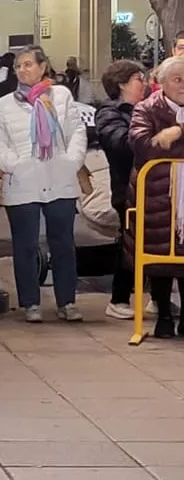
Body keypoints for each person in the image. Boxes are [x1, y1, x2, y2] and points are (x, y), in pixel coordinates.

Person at [0, 46, 88, 323]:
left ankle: (67, 300)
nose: (23, 70)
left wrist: (71, 161)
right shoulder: (4, 104)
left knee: (63, 243)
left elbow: (77, 131)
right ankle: (30, 302)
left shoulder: (62, 97)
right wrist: (12, 163)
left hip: (59, 179)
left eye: (29, 64)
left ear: (43, 67)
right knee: (26, 246)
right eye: (19, 66)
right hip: (23, 182)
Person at [128, 55, 184, 338]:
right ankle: (162, 314)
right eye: (177, 80)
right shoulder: (146, 109)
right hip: (157, 194)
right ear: (162, 83)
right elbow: (143, 145)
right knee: (159, 257)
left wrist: (179, 131)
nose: (183, 85)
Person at [94, 59, 149, 320]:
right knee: (130, 241)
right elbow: (120, 144)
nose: (145, 84)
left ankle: (157, 296)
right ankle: (119, 297)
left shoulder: (148, 108)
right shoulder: (109, 112)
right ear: (122, 83)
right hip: (126, 186)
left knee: (157, 241)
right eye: (139, 79)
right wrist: (146, 133)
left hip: (155, 185)